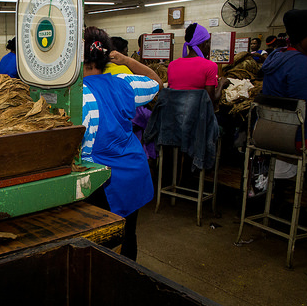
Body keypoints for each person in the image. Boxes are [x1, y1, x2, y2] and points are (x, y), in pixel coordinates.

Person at [81, 26, 162, 261]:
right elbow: (157, 81)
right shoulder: (126, 83)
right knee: (127, 236)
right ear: (107, 57)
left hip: (100, 180)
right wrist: (126, 59)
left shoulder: (77, 96)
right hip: (133, 172)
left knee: (101, 243)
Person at [262, 9, 307, 151]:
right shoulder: (300, 63)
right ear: (303, 36)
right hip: (296, 136)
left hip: (269, 130)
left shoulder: (278, 56)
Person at [167, 22, 228, 102]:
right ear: (204, 44)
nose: (210, 46)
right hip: (197, 113)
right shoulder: (210, 66)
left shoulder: (172, 65)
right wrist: (222, 84)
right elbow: (211, 99)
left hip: (175, 113)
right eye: (209, 42)